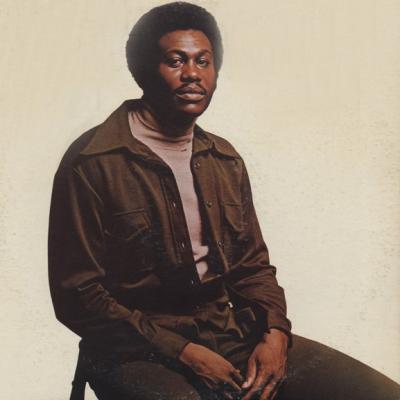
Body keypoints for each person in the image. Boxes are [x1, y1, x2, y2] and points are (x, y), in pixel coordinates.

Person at [48, 2, 400, 399]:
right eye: (176, 61)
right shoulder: (92, 161)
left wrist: (274, 333)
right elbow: (78, 296)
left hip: (227, 334)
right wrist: (184, 352)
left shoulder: (224, 159)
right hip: (133, 350)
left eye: (203, 61)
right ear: (145, 70)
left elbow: (251, 266)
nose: (192, 74)